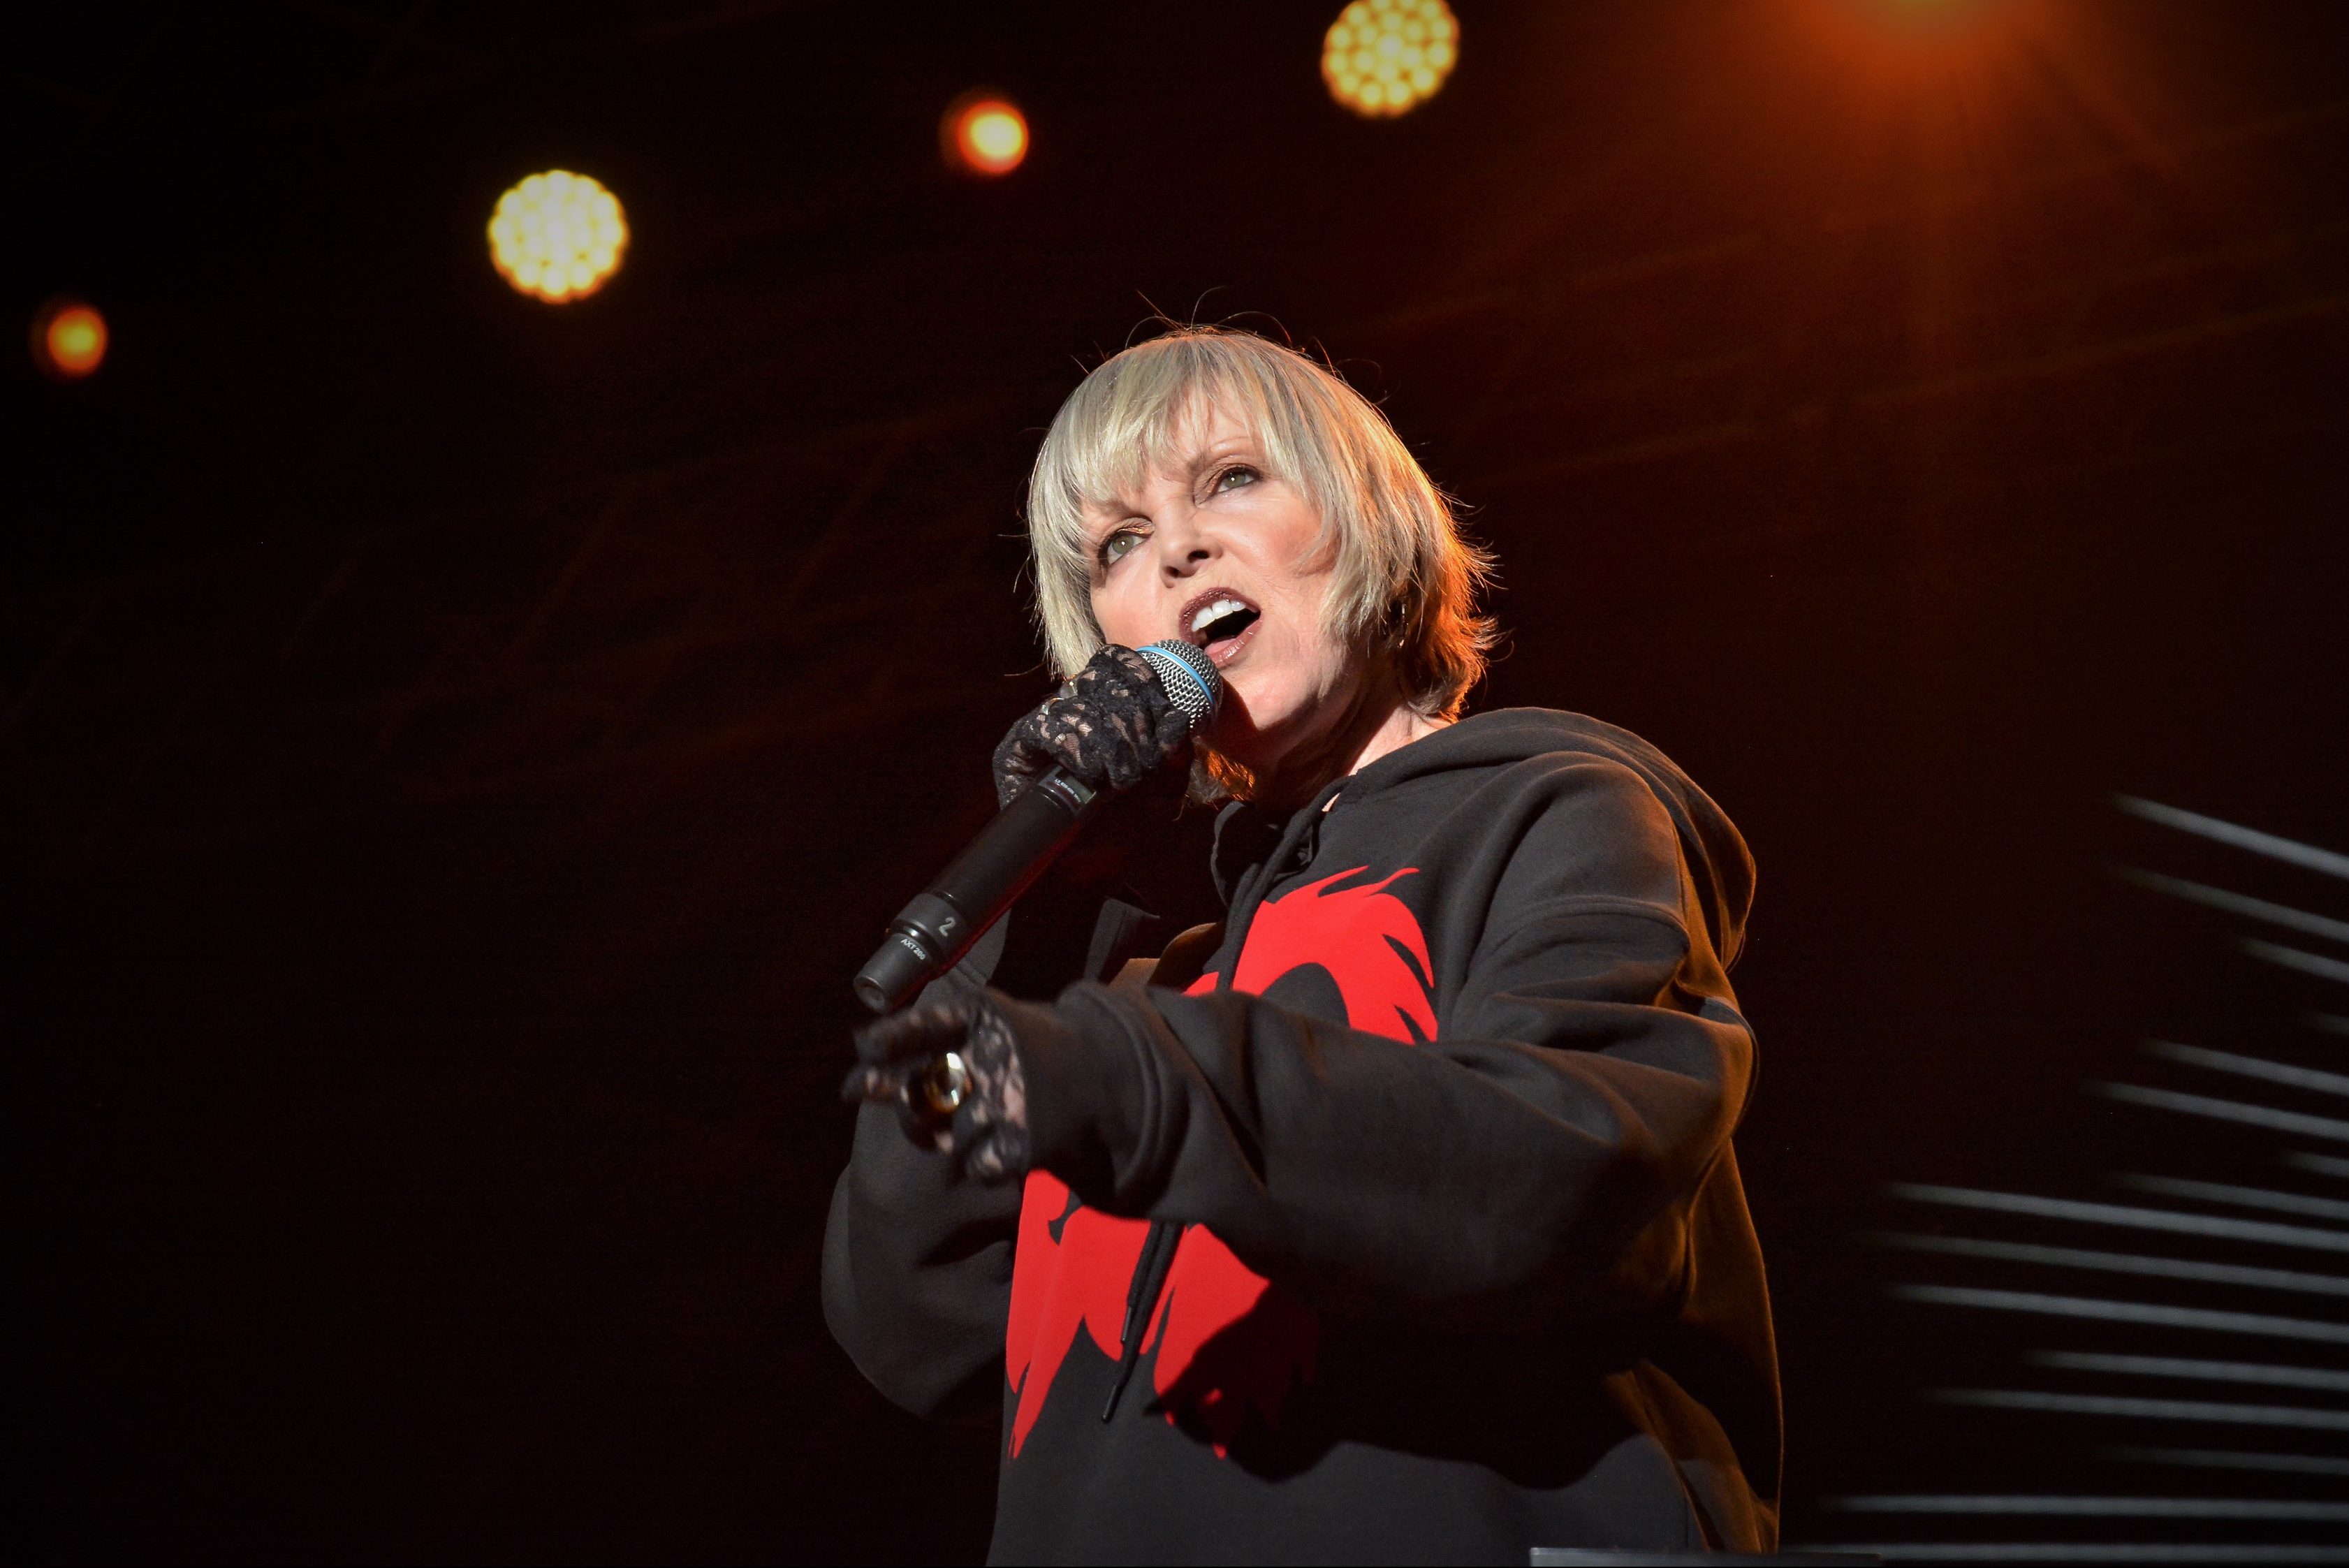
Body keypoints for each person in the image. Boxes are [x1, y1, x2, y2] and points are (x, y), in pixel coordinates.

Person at [823, 325, 1778, 1563]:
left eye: (1229, 479)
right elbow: (918, 1329)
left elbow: (1563, 1168)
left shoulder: (1558, 806)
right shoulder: (1132, 979)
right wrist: (1032, 922)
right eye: (1116, 543)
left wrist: (1131, 1078)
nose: (1174, 548)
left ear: (1366, 514)